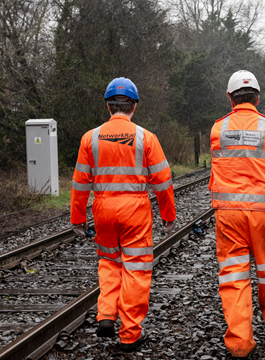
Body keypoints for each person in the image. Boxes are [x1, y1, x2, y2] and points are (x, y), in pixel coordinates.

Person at [70, 77, 176, 352]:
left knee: (108, 262)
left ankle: (106, 313)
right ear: (134, 107)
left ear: (108, 106)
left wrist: (78, 219)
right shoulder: (146, 138)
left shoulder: (89, 138)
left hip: (103, 209)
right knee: (136, 269)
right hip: (135, 210)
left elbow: (80, 184)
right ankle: (129, 334)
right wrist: (168, 216)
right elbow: (163, 182)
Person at [209, 70, 265, 358]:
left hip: (229, 215)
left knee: (234, 275)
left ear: (230, 99)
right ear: (258, 97)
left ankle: (240, 343)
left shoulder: (217, 129)